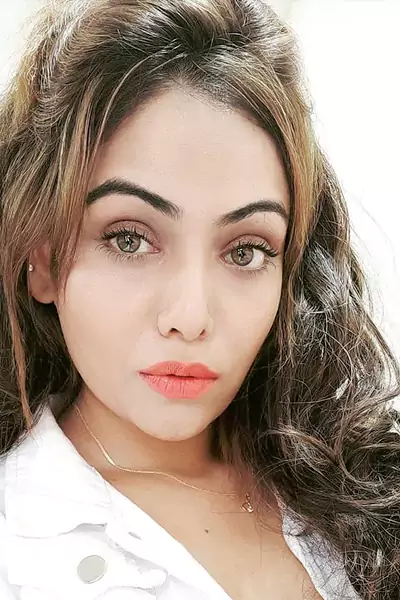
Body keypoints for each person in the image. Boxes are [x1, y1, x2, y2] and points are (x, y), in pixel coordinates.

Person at [0, 0, 399, 598]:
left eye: (245, 251)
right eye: (130, 239)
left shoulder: (361, 489)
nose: (190, 318)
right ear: (44, 259)